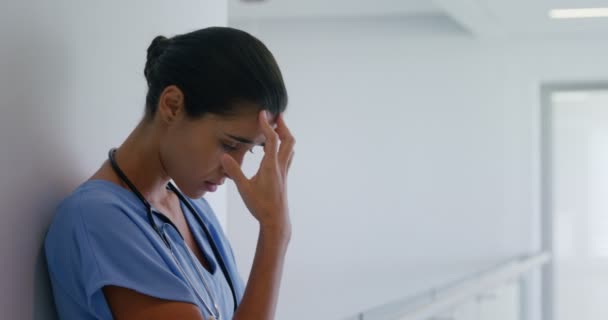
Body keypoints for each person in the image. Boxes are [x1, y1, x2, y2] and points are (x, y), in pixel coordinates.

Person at [44, 26, 294, 320]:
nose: (235, 169)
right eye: (229, 144)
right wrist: (275, 232)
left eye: (251, 150)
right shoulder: (97, 218)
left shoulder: (195, 210)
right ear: (172, 105)